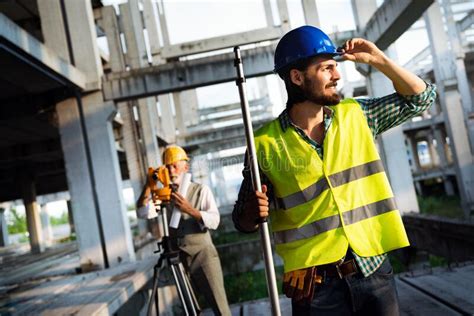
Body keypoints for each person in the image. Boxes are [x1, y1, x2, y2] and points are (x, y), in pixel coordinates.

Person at [233, 25, 436, 315]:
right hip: (314, 286)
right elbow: (242, 221)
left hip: (373, 270)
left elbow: (421, 98)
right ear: (297, 77)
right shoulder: (263, 144)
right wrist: (251, 212)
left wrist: (379, 59)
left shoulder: (358, 115)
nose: (337, 75)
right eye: (327, 68)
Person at [136, 145, 231, 315]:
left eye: (175, 165)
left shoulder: (201, 190)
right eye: (167, 166)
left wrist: (191, 210)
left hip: (203, 256)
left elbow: (215, 220)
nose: (171, 170)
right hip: (178, 258)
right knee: (189, 309)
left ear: (185, 167)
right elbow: (142, 212)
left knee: (220, 307)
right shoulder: (163, 195)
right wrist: (149, 185)